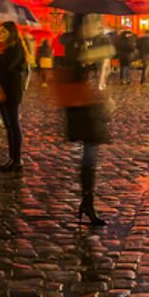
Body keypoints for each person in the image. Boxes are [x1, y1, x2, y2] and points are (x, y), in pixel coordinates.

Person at [54, 13, 114, 225]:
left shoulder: (86, 44)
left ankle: (87, 201)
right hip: (81, 106)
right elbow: (73, 66)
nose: (97, 26)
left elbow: (100, 66)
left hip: (88, 105)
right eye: (93, 23)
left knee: (90, 156)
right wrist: (90, 57)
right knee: (89, 156)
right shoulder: (71, 44)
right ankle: (87, 202)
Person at [0, 22, 31, 172]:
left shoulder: (16, 48)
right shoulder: (3, 48)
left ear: (11, 33)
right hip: (3, 88)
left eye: (3, 32)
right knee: (8, 125)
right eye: (0, 32)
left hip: (12, 90)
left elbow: (6, 68)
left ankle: (17, 159)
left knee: (13, 124)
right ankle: (11, 158)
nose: (0, 35)